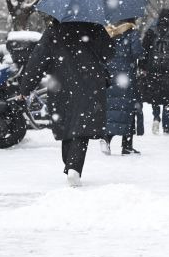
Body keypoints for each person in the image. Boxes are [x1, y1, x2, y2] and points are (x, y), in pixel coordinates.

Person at [19, 20, 114, 187]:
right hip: (90, 83)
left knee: (68, 125)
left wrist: (25, 88)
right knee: (82, 127)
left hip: (61, 85)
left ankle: (70, 165)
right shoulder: (95, 27)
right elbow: (109, 53)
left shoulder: (53, 31)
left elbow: (38, 60)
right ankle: (74, 167)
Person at [101, 19, 144, 155]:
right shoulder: (131, 33)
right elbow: (137, 52)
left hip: (110, 74)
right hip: (126, 75)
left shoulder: (108, 32)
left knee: (113, 107)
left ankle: (107, 138)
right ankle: (126, 144)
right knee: (128, 108)